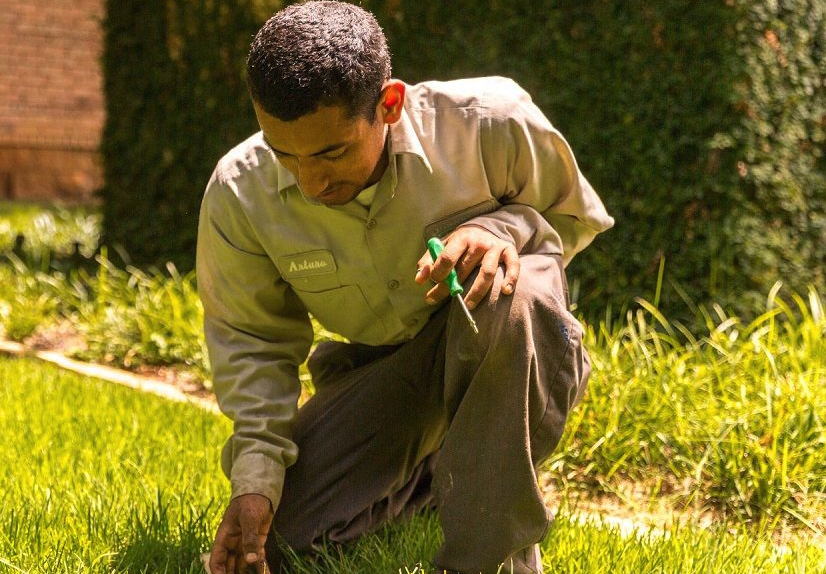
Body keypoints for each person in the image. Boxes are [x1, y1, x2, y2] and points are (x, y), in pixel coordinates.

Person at [196, 2, 613, 573]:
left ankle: (487, 556)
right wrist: (256, 482)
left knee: (515, 293)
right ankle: (439, 476)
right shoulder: (238, 194)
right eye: (284, 155)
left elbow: (573, 219)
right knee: (278, 543)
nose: (311, 183)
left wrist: (501, 228)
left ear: (388, 104)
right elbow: (252, 343)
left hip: (503, 345)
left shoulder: (490, 122)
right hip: (380, 373)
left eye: (331, 152)